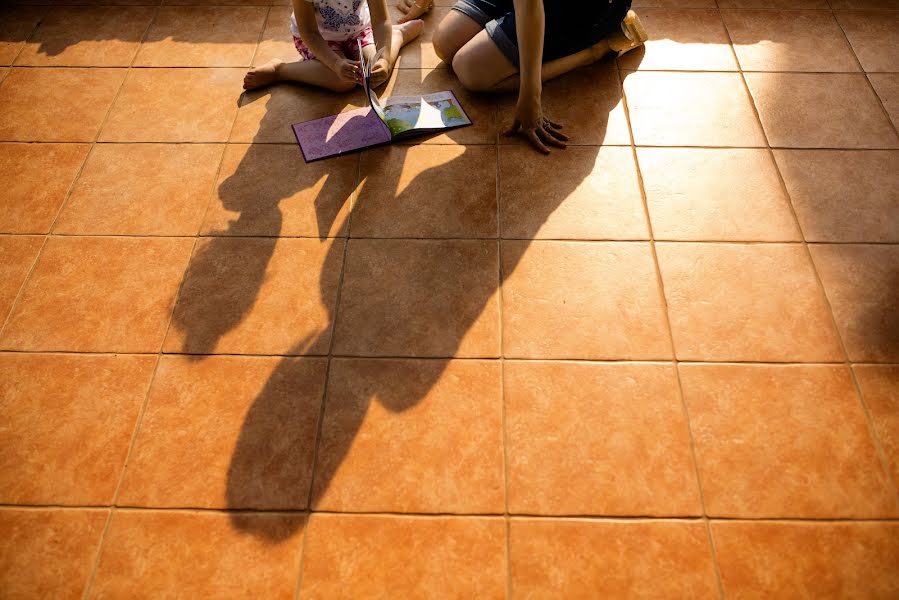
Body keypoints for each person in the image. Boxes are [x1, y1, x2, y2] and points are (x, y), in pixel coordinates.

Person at [398, 0, 646, 153]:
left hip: (583, 7)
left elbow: (530, 6)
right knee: (444, 43)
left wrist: (530, 96)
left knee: (470, 70)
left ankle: (597, 49)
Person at [244, 0, 425, 91]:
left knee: (373, 72)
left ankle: (397, 35)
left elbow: (380, 20)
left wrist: (384, 59)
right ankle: (281, 70)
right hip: (320, 39)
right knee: (343, 82)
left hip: (359, 31)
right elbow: (310, 33)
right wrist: (335, 63)